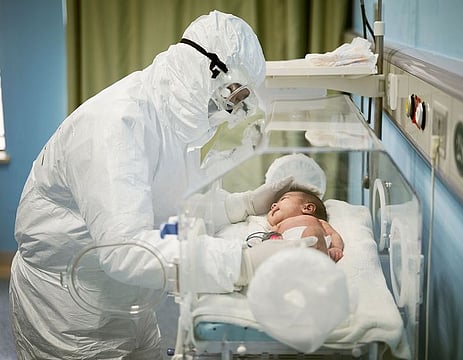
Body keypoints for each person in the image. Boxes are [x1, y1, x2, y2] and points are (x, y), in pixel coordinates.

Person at [9, 11, 298, 360]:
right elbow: (125, 250)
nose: (231, 108)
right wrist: (240, 264)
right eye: (234, 95)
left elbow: (174, 209)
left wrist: (245, 205)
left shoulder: (176, 122)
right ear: (209, 70)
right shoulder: (116, 123)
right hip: (71, 311)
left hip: (129, 300)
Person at [247, 189, 344, 262]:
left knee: (313, 232)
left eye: (283, 199)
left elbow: (333, 234)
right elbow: (269, 238)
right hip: (288, 251)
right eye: (274, 204)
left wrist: (336, 248)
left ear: (308, 208)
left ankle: (315, 267)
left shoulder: (316, 221)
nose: (273, 205)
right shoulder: (278, 226)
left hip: (313, 248)